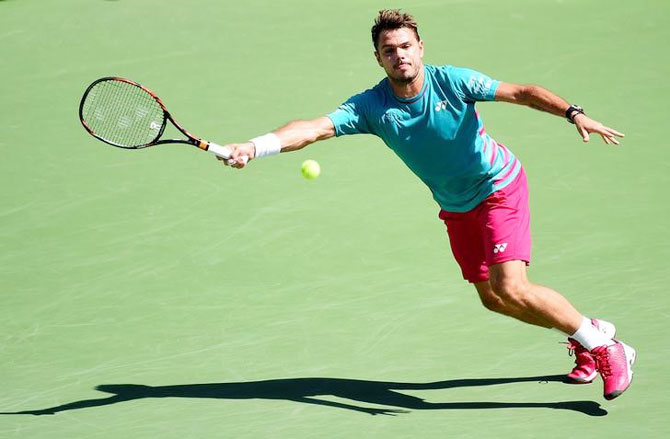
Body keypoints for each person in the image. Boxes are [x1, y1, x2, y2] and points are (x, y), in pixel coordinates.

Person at [220, 9, 635, 400]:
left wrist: (573, 113)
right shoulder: (371, 107)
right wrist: (257, 147)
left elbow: (523, 92)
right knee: (493, 298)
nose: (398, 55)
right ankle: (587, 333)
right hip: (456, 206)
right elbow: (312, 129)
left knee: (512, 286)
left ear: (420, 47)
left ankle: (606, 347)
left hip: (498, 188)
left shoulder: (453, 82)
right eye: (389, 50)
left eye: (405, 46)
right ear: (379, 59)